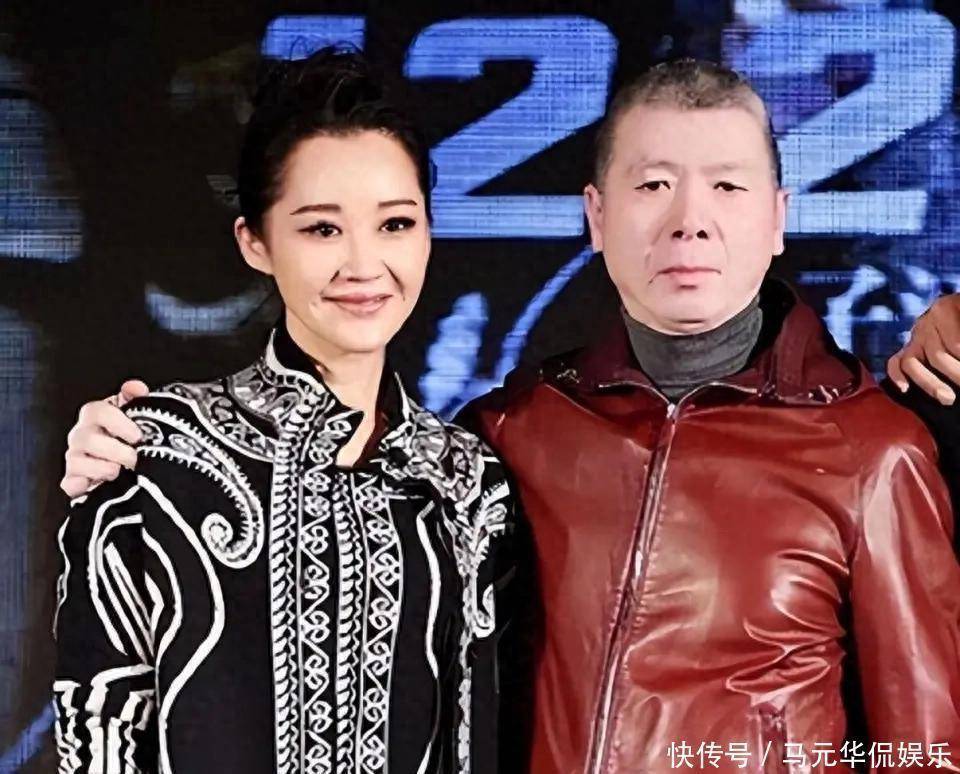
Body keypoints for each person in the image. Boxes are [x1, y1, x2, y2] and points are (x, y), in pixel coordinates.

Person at [60, 59, 960, 773]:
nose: (691, 222)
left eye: (727, 187)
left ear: (778, 217)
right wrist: (124, 444)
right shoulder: (506, 440)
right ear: (596, 216)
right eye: (653, 185)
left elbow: (922, 748)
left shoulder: (870, 447)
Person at [51, 47, 520, 774]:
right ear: (255, 242)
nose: (363, 265)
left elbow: (479, 739)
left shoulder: (466, 483)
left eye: (395, 224)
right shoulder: (157, 460)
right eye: (322, 229)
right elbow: (97, 734)